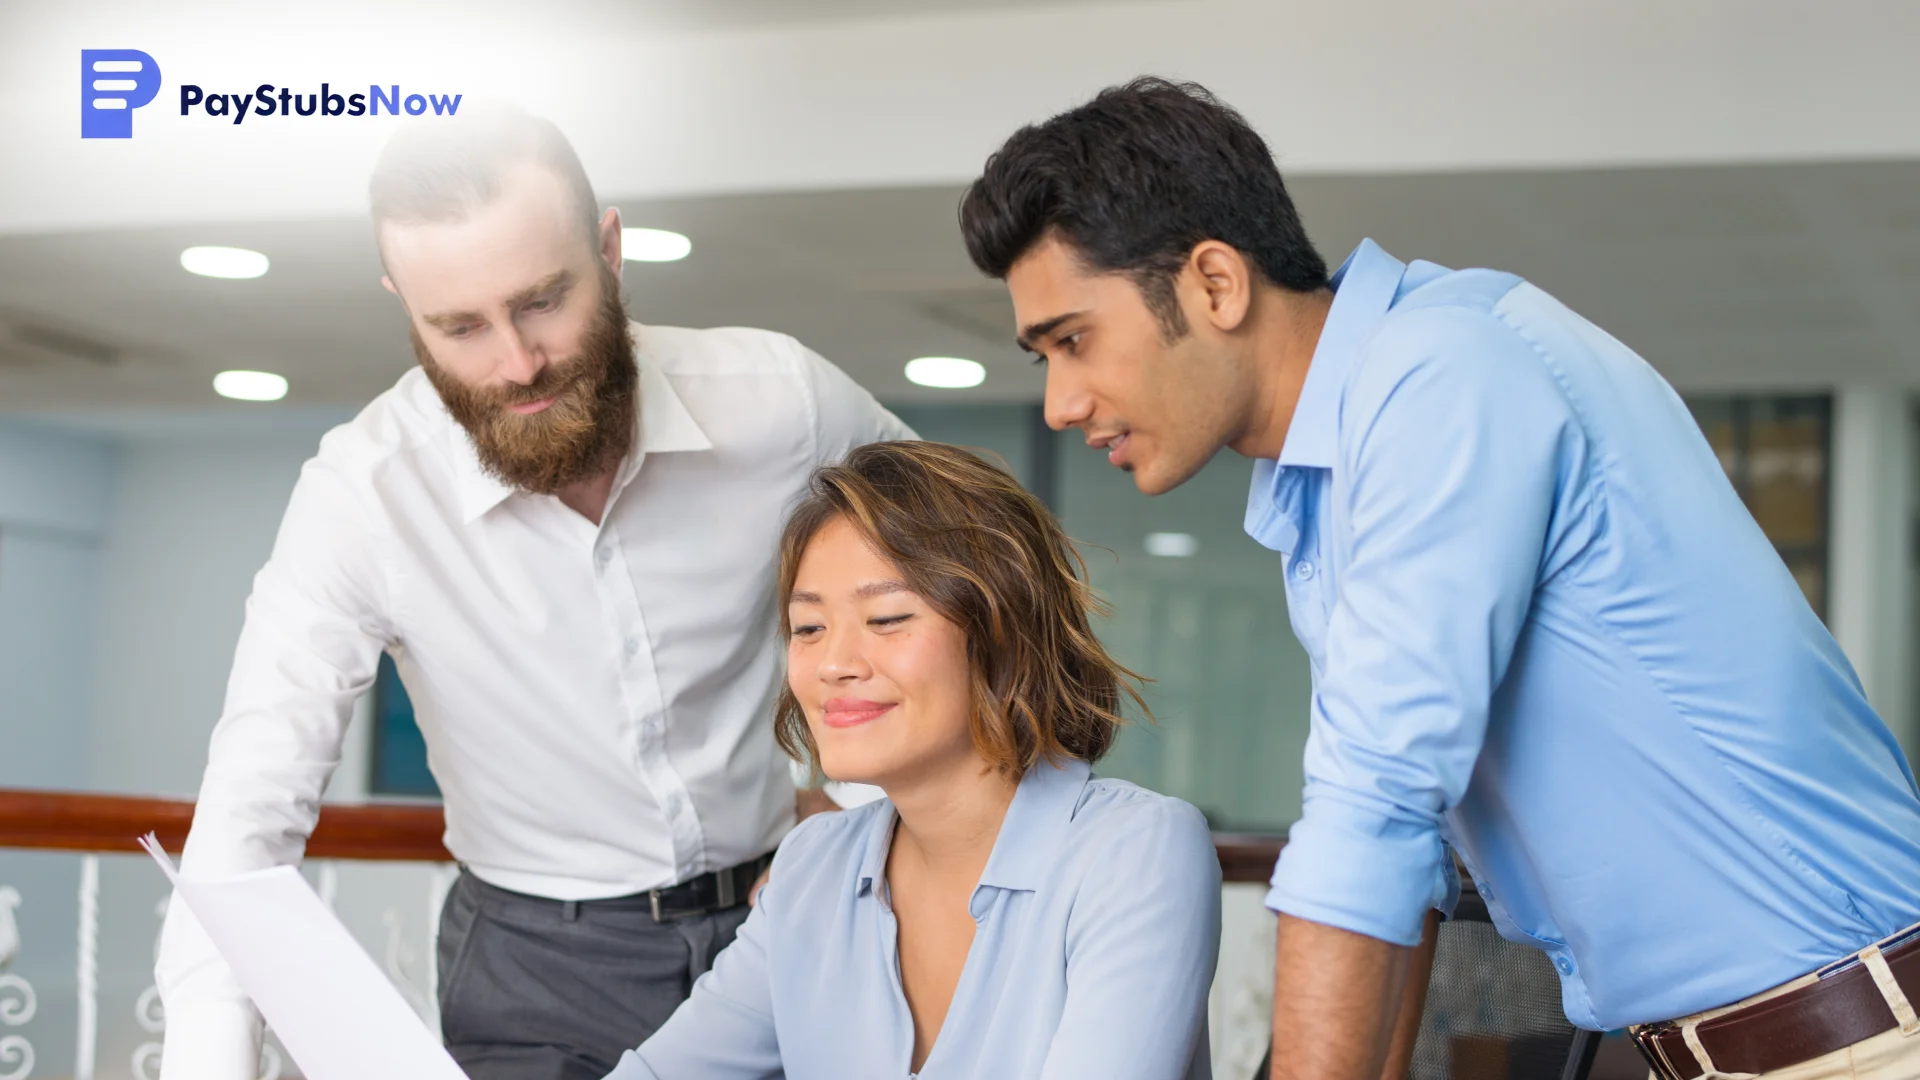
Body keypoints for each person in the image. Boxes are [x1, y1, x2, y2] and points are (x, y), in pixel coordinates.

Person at [958, 77, 1920, 1080]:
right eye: (1042, 362)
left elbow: (1368, 811)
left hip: (1863, 1042)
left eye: (1073, 341)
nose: (1063, 402)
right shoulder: (1321, 483)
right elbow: (1401, 851)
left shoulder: (1442, 374)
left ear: (1214, 284)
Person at [156, 106, 914, 1080]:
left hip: (786, 912)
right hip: (534, 968)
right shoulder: (363, 495)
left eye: (543, 300)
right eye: (459, 326)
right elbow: (247, 813)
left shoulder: (782, 403)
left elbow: (959, 575)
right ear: (402, 300)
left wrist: (866, 810)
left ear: (610, 249)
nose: (516, 364)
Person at [605, 441, 1221, 1080]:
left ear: (1003, 635)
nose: (835, 663)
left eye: (888, 618)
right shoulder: (811, 867)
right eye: (809, 628)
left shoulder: (1135, 850)